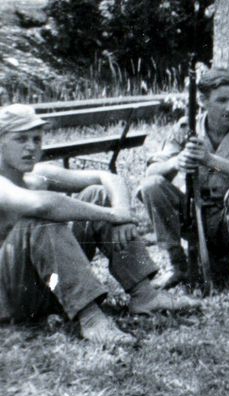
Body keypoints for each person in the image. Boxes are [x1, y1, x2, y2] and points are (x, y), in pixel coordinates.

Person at [0, 104, 195, 345]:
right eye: (20, 139)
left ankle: (144, 294)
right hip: (12, 299)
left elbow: (107, 177)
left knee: (97, 194)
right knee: (41, 221)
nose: (31, 146)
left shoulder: (37, 174)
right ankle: (91, 319)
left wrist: (121, 212)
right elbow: (43, 205)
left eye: (36, 139)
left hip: (51, 286)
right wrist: (110, 216)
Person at [137, 67, 229, 294]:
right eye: (222, 101)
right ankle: (176, 264)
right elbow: (152, 171)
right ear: (202, 100)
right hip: (193, 216)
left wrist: (210, 160)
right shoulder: (184, 127)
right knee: (152, 186)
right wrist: (176, 162)